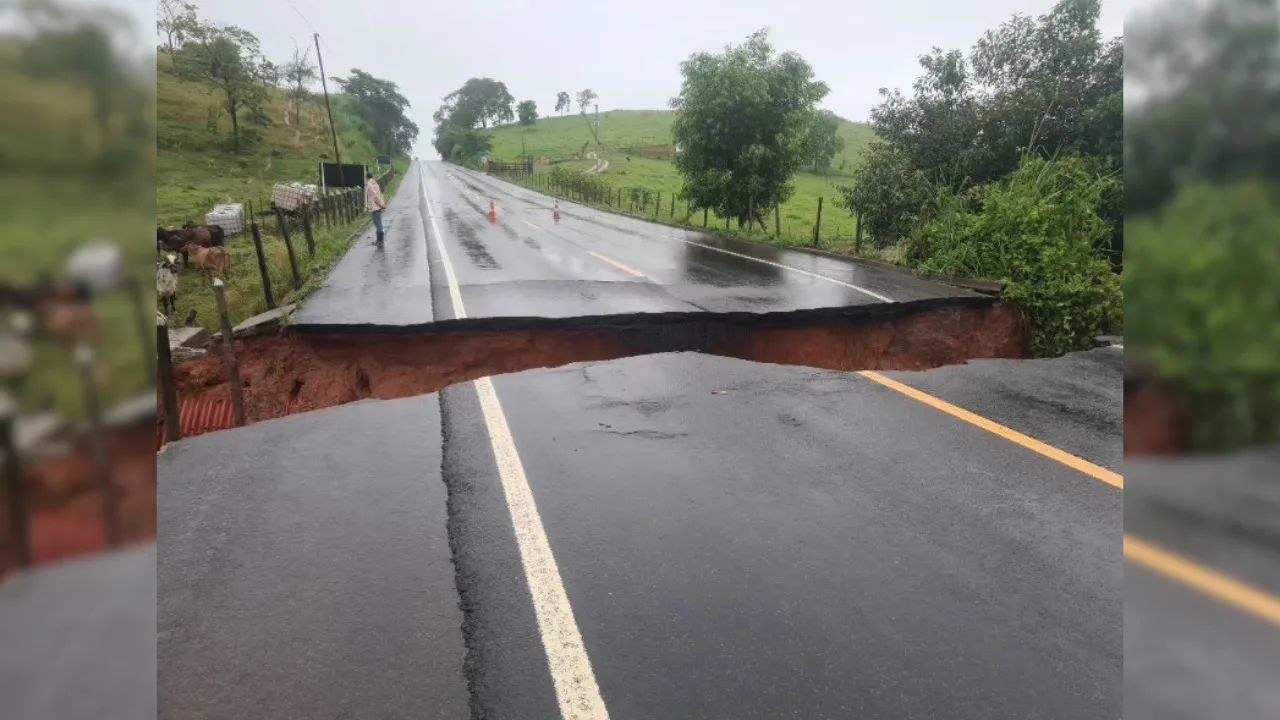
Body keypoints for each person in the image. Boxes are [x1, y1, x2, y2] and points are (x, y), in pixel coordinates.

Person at [365, 172, 387, 244]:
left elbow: (375, 196)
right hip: (377, 205)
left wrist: (380, 205)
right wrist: (381, 203)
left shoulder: (370, 185)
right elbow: (379, 194)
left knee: (377, 223)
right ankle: (379, 240)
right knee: (377, 222)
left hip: (375, 206)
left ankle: (380, 241)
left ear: (366, 177)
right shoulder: (375, 183)